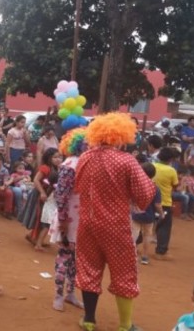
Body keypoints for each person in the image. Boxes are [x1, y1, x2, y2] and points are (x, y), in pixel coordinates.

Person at [75, 112, 156, 331]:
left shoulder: (85, 158)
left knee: (89, 268)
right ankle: (125, 325)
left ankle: (89, 320)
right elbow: (145, 194)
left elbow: (77, 186)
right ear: (121, 136)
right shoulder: (126, 161)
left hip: (87, 224)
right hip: (115, 226)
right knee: (124, 272)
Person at [47, 128, 87, 312]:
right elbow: (61, 195)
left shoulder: (85, 163)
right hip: (69, 218)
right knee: (64, 256)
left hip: (81, 218)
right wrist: (63, 220)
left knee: (76, 258)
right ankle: (58, 294)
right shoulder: (69, 165)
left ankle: (70, 293)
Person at [131, 163, 163, 265]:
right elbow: (157, 205)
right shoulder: (155, 188)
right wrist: (161, 214)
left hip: (136, 214)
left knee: (133, 235)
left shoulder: (135, 185)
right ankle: (145, 257)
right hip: (149, 216)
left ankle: (131, 256)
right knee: (147, 236)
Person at [153, 147, 179, 260]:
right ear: (170, 159)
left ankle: (133, 244)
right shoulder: (171, 170)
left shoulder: (152, 166)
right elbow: (175, 185)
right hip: (164, 202)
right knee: (164, 226)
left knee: (143, 223)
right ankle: (161, 251)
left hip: (149, 200)